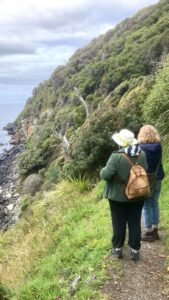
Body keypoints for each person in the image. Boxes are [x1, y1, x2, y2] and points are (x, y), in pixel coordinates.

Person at [100, 129, 148, 261]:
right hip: (138, 194)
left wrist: (103, 170)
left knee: (118, 222)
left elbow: (105, 175)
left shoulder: (116, 157)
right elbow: (146, 170)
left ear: (121, 143)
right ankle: (135, 250)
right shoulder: (142, 155)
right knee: (134, 221)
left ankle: (117, 248)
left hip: (118, 197)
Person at [137, 125, 165, 242]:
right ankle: (155, 230)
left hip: (145, 179)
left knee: (146, 205)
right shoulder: (158, 146)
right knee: (154, 203)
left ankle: (148, 231)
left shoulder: (140, 148)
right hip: (157, 177)